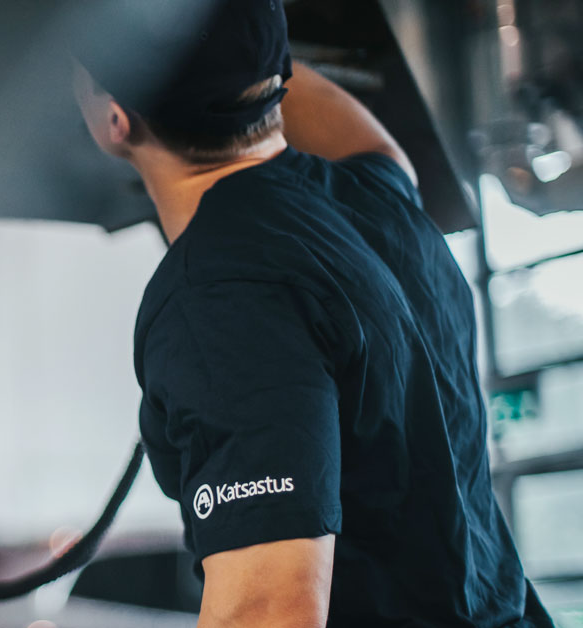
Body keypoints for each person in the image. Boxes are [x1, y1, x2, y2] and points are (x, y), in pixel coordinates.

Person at [70, 1, 556, 626]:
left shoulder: (221, 295)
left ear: (115, 119)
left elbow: (270, 614)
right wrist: (233, 46)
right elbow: (342, 125)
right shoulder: (381, 196)